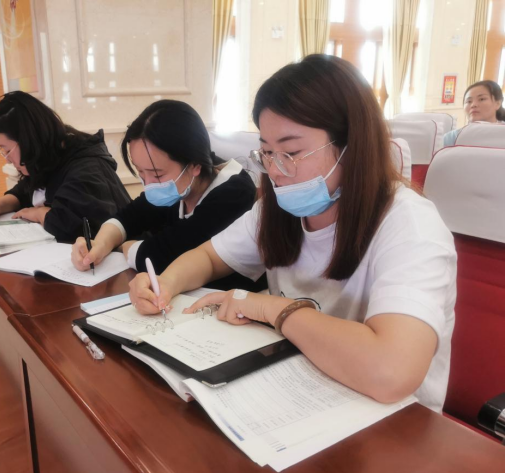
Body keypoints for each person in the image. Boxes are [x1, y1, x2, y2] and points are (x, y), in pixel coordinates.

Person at [129, 55, 457, 413]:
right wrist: (165, 283)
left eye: (291, 152)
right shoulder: (277, 209)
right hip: (302, 391)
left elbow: (391, 372)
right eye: (267, 152)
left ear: (352, 145)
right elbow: (209, 257)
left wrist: (273, 308)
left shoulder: (410, 225)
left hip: (391, 420)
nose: (274, 170)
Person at [71, 99, 265, 292]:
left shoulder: (234, 194)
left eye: (157, 175)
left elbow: (163, 257)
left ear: (194, 165)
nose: (148, 184)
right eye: (140, 173)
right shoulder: (178, 187)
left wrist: (125, 247)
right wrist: (100, 244)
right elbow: (130, 216)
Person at [0, 91, 131, 242]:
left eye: (7, 150)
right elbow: (28, 190)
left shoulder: (85, 168)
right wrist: (0, 204)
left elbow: (76, 227)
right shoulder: (50, 158)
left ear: (29, 141)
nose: (8, 160)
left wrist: (40, 213)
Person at [443, 80, 505, 146]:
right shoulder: (452, 138)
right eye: (469, 101)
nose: (473, 105)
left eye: (482, 99)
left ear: (498, 103)